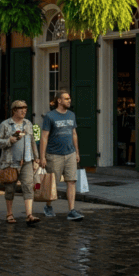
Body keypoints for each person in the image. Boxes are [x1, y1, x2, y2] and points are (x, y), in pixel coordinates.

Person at [39, 90, 84, 221]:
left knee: (71, 181)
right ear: (59, 101)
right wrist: (42, 157)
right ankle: (48, 206)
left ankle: (71, 210)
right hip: (54, 155)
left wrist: (77, 152)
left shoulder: (71, 115)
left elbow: (74, 134)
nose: (69, 101)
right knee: (52, 183)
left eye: (69, 99)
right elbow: (44, 137)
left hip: (70, 154)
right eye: (66, 99)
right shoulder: (50, 116)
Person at [0, 100, 41, 225]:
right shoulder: (5, 124)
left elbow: (32, 141)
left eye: (25, 108)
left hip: (27, 160)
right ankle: (9, 214)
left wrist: (36, 158)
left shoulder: (28, 123)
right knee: (10, 189)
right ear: (14, 110)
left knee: (28, 187)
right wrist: (9, 140)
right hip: (10, 162)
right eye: (21, 108)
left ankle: (29, 215)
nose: (24, 110)